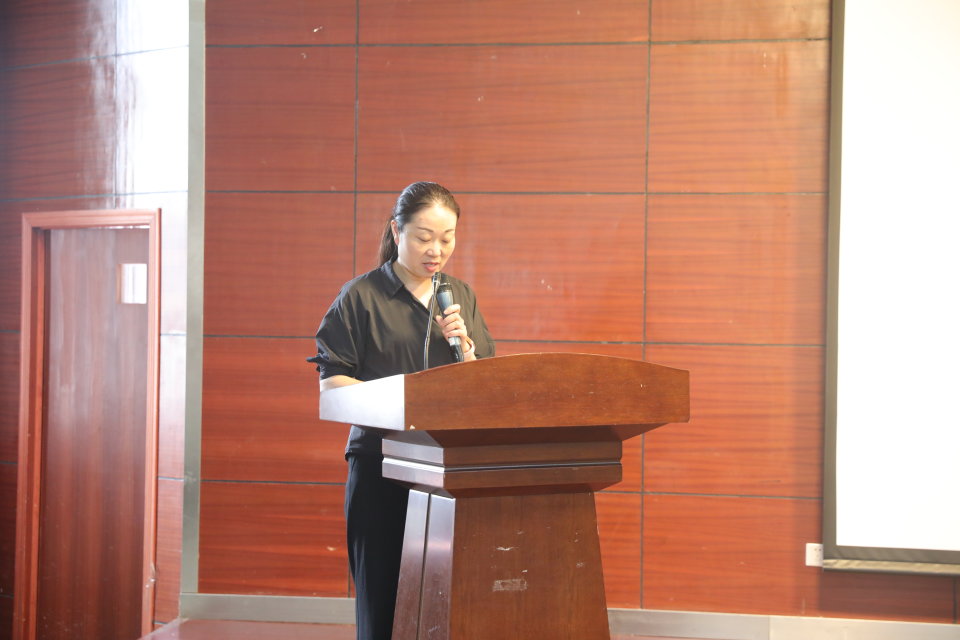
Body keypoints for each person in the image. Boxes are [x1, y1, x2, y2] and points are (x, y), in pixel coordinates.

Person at [308, 181, 495, 640]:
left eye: (447, 238)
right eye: (424, 237)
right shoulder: (361, 297)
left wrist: (467, 351)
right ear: (397, 231)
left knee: (446, 603)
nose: (437, 251)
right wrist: (401, 404)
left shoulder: (460, 296)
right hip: (381, 467)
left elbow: (485, 385)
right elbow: (333, 386)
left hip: (448, 470)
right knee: (383, 600)